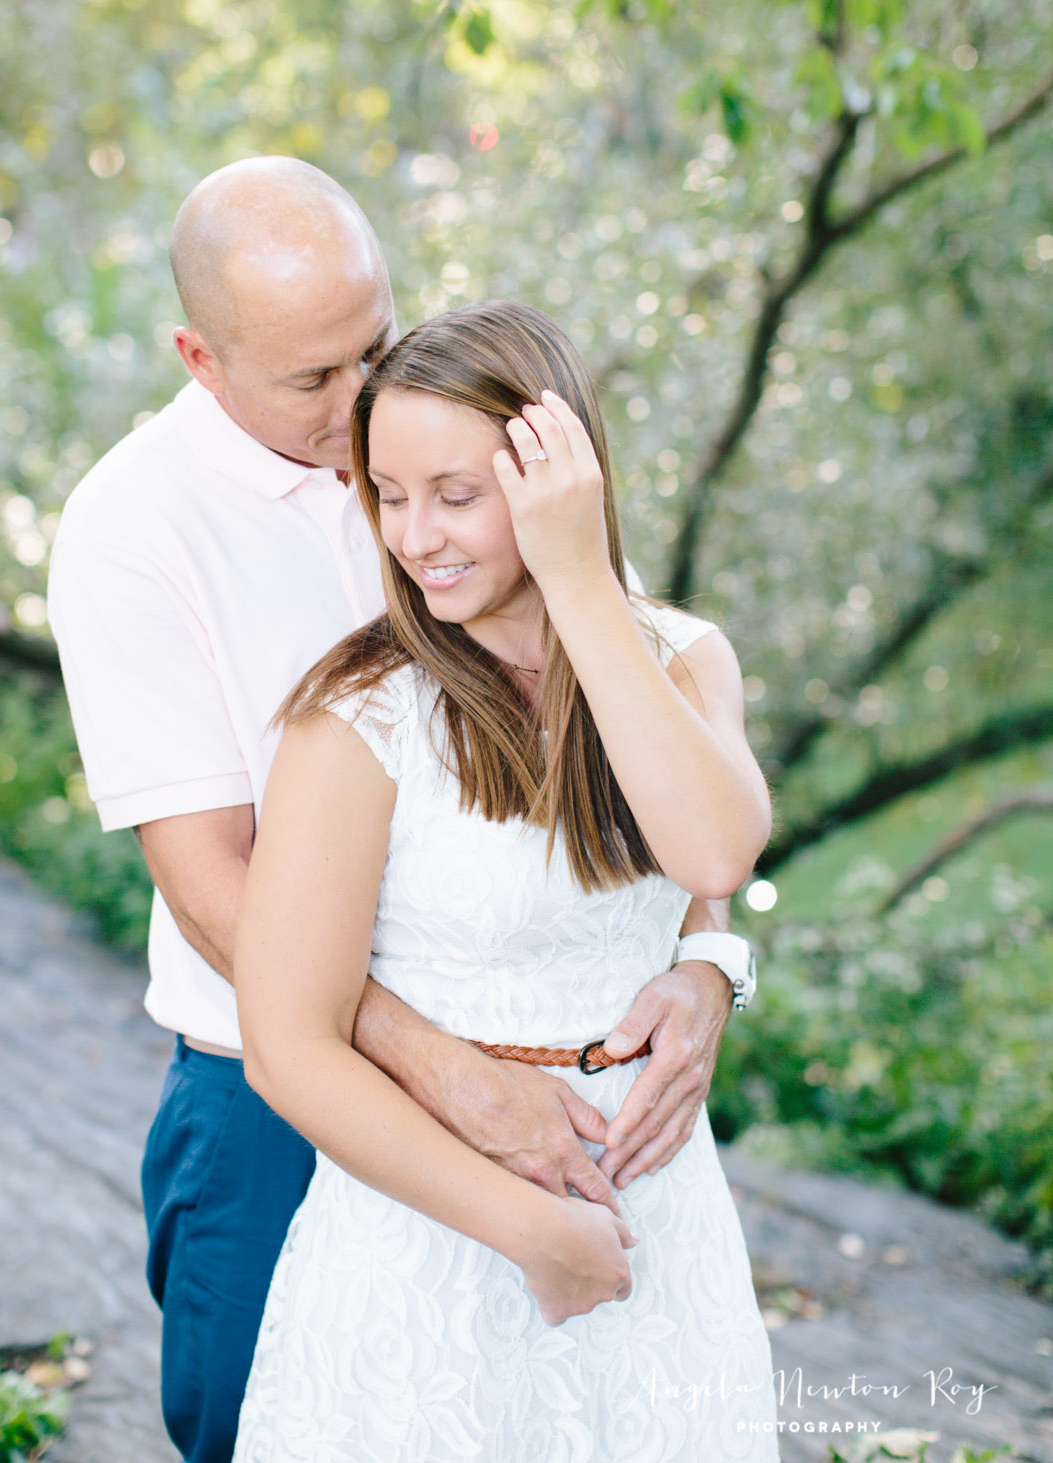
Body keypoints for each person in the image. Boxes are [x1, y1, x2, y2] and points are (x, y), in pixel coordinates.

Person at [43, 158, 755, 1462]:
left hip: (578, 1110)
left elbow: (643, 770)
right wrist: (446, 1073)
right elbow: (209, 877)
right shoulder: (128, 530)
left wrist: (707, 954)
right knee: (252, 1409)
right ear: (201, 356)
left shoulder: (463, 440)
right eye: (315, 381)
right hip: (272, 1099)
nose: (360, 400)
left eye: (370, 345)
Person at [232, 300, 776, 1457]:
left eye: (457, 494)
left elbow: (714, 856)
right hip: (434, 1238)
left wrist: (579, 584)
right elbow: (290, 1046)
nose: (417, 535)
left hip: (658, 1219)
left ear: (557, 482)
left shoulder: (681, 659)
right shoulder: (360, 720)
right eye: (389, 494)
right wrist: (522, 1228)